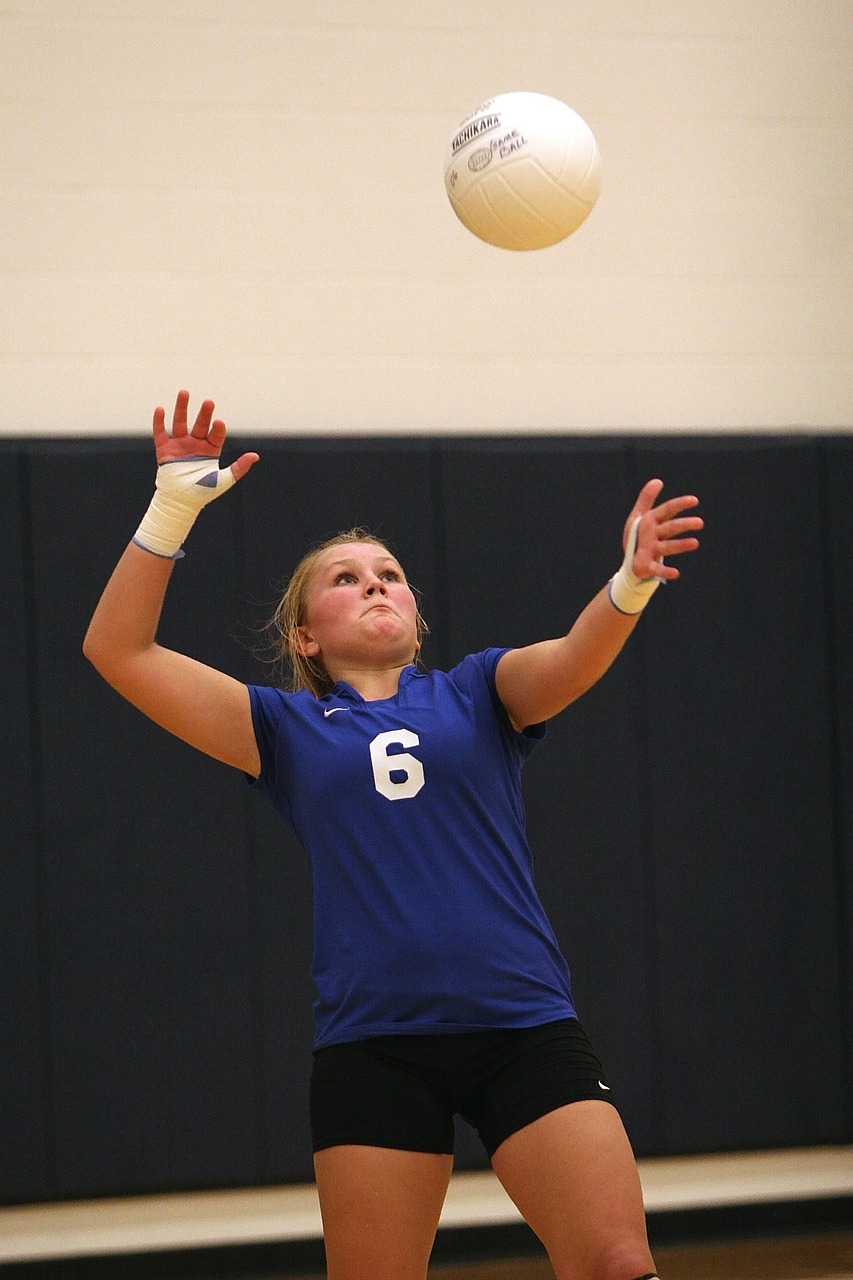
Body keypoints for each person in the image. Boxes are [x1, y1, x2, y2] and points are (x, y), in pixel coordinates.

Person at [83, 391, 702, 1280]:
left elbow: (575, 655)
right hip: (374, 1045)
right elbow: (120, 651)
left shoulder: (478, 692)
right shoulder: (283, 730)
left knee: (613, 1262)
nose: (376, 581)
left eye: (390, 573)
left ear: (414, 613)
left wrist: (629, 583)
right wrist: (172, 506)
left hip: (522, 1025)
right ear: (304, 633)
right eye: (346, 577)